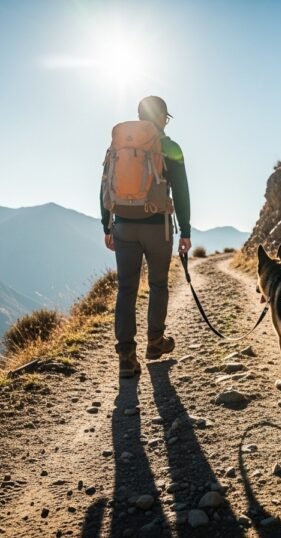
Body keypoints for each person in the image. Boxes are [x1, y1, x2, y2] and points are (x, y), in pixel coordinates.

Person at [100, 96, 191, 377]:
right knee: (158, 284)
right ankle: (155, 342)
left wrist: (107, 225)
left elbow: (104, 186)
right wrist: (185, 231)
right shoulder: (170, 147)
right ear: (163, 117)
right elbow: (181, 191)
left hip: (123, 226)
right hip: (157, 226)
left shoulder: (118, 146)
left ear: (139, 116)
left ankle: (126, 357)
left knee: (126, 289)